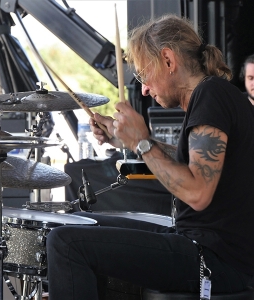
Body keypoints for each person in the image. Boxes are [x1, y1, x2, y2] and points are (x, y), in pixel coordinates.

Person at [46, 14, 254, 299]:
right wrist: (128, 140)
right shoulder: (214, 95)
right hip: (203, 247)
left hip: (214, 259)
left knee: (65, 243)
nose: (143, 88)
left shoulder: (211, 95)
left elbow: (197, 192)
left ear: (169, 60)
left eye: (144, 74)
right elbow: (190, 162)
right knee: (80, 222)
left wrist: (142, 142)